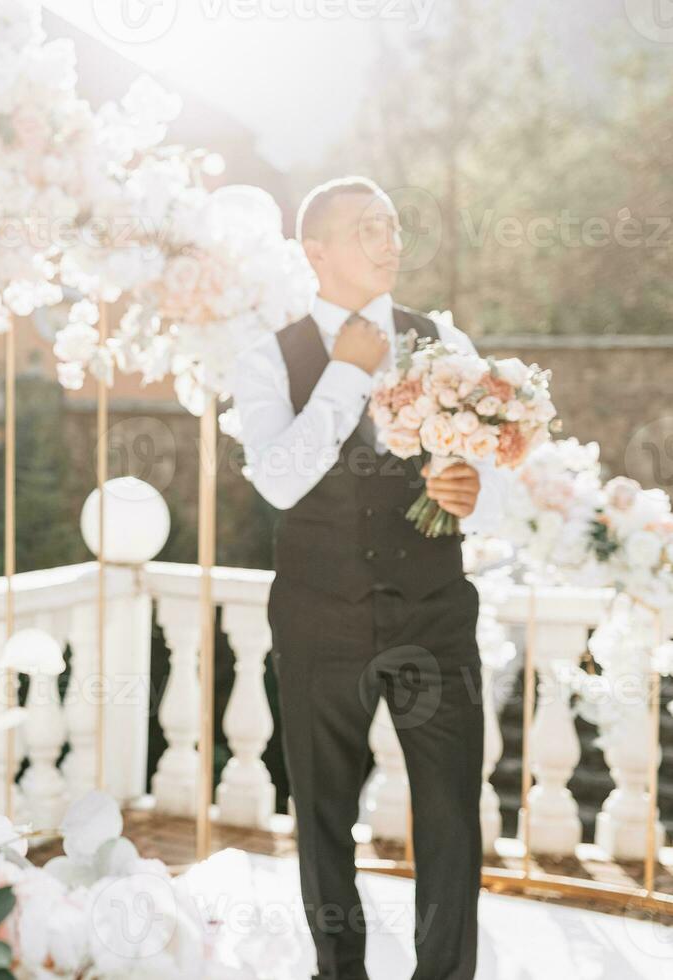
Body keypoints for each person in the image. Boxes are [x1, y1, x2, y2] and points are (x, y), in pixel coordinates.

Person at [230, 176, 508, 979]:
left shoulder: (443, 343)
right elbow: (279, 481)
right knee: (322, 816)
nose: (389, 241)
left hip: (436, 615)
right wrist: (347, 373)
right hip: (321, 621)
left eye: (392, 225)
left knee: (453, 812)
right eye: (366, 229)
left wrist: (472, 493)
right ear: (315, 251)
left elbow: (497, 474)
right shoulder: (265, 358)